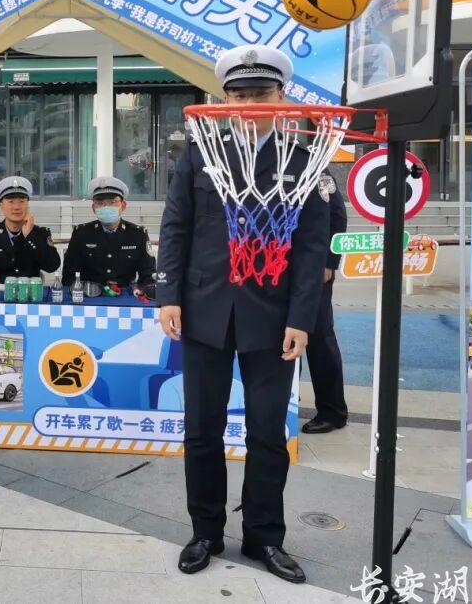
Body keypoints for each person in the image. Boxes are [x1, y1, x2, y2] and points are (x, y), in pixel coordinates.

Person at [156, 44, 329, 584]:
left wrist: (303, 318)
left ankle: (264, 537)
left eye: (261, 94)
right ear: (225, 100)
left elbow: (312, 248)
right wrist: (168, 295)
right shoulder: (200, 154)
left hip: (273, 319)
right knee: (201, 430)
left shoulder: (303, 160)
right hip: (203, 311)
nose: (250, 105)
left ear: (282, 97)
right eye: (240, 95)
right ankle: (205, 531)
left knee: (268, 434)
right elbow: (175, 226)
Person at [301, 173, 349, 434]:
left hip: (314, 268)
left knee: (319, 336)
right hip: (276, 268)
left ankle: (332, 411)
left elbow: (338, 216)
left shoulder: (317, 168)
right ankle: (287, 398)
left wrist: (329, 262)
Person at [62, 176, 156, 294]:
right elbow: (69, 276)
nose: (106, 207)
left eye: (112, 202)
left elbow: (148, 275)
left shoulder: (138, 234)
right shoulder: (81, 234)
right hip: (90, 295)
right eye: (100, 203)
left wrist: (141, 292)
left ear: (123, 206)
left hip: (125, 295)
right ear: (93, 208)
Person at [0, 176, 60, 284]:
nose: (16, 207)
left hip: (28, 292)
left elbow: (52, 266)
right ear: (1, 206)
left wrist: (30, 237)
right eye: (11, 202)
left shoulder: (40, 234)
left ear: (27, 204)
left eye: (21, 201)